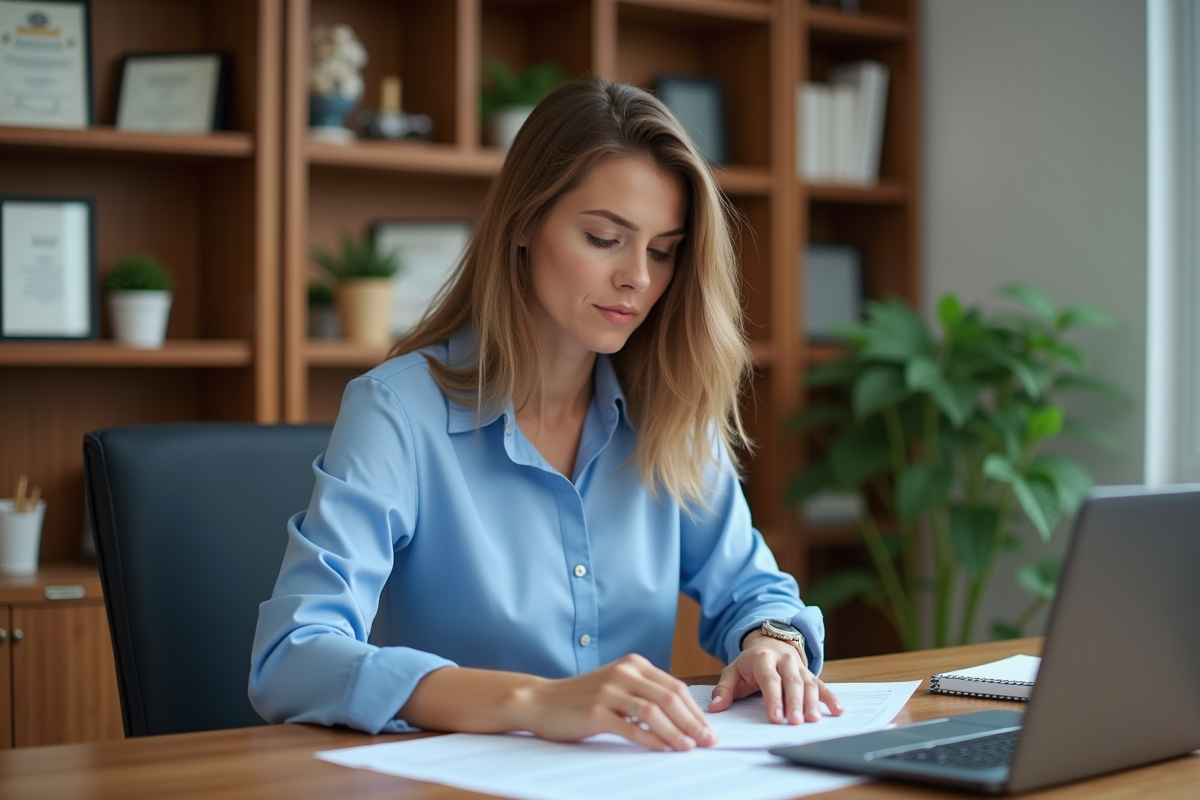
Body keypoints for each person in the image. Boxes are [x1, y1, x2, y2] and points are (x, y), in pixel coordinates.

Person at [250, 76, 842, 752]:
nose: (638, 280)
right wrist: (534, 702)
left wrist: (773, 641)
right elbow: (293, 657)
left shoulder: (670, 406)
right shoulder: (397, 411)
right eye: (603, 238)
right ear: (524, 223)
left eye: (662, 250)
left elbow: (754, 589)